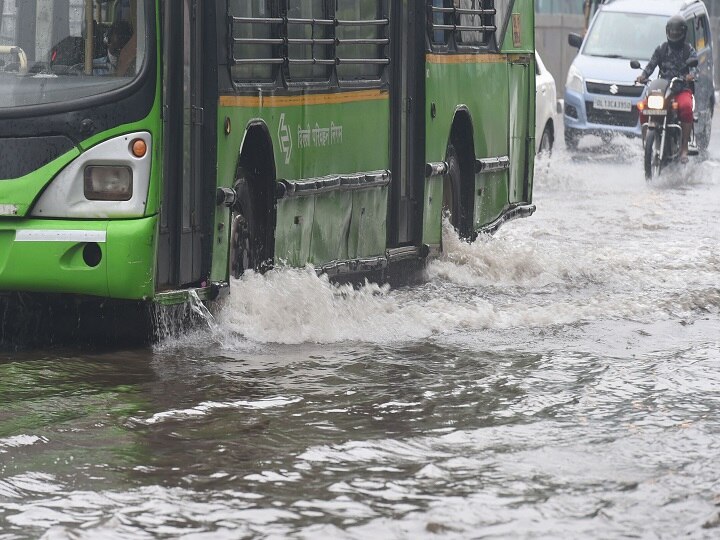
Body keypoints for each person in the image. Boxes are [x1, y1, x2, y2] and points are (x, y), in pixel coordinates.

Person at [635, 14, 698, 163]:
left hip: (681, 88)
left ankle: (684, 148)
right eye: (672, 31)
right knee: (645, 106)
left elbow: (695, 68)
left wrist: (691, 76)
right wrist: (642, 75)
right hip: (663, 89)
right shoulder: (662, 49)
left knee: (686, 107)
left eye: (677, 31)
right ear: (667, 31)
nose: (674, 34)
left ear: (683, 32)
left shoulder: (688, 50)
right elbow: (651, 65)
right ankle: (646, 143)